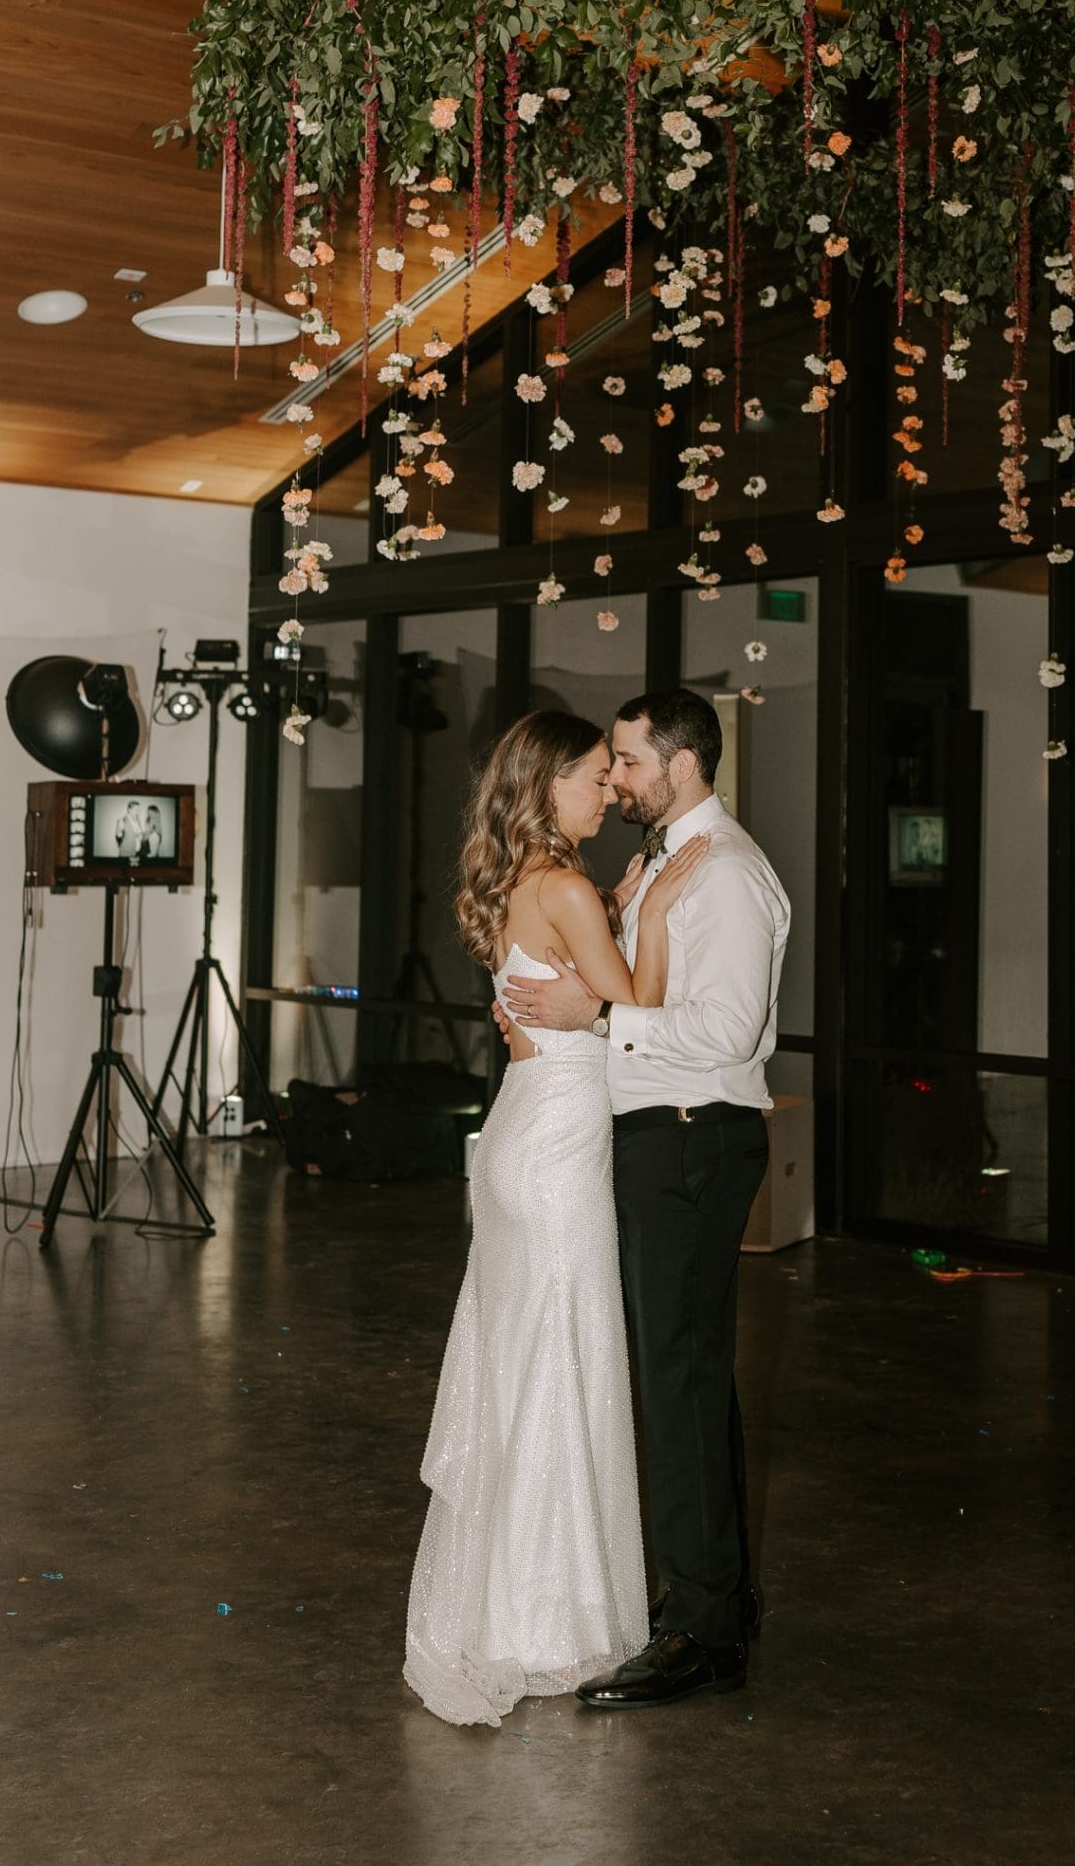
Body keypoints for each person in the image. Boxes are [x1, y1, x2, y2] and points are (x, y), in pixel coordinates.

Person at [403, 709, 708, 1728]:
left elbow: (553, 981)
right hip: (562, 1151)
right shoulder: (570, 886)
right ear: (546, 788)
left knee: (527, 1368)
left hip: (519, 1137)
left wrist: (613, 909)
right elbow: (635, 1016)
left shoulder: (522, 883)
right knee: (561, 1369)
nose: (607, 793)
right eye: (589, 778)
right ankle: (550, 1619)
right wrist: (652, 922)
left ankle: (518, 1601)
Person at [499, 686, 791, 1710]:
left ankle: (701, 1632)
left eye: (627, 759)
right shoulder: (668, 865)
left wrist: (600, 1015)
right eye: (610, 762)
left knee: (676, 1379)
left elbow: (725, 1032)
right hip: (656, 1139)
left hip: (689, 1142)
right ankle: (720, 1602)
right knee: (687, 1375)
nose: (616, 776)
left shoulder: (731, 875)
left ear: (682, 762)